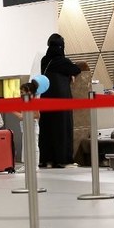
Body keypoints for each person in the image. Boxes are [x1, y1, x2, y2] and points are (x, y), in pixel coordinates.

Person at [38, 33, 81, 168]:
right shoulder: (63, 62)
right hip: (61, 100)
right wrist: (71, 75)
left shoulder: (45, 61)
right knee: (62, 128)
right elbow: (77, 69)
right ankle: (62, 159)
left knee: (47, 129)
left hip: (46, 99)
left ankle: (46, 159)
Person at [13, 80, 40, 173]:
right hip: (24, 125)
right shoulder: (23, 102)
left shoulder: (33, 101)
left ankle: (35, 165)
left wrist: (23, 116)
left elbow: (37, 115)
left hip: (32, 125)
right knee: (25, 146)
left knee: (34, 146)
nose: (20, 94)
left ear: (28, 92)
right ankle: (26, 165)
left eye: (22, 92)